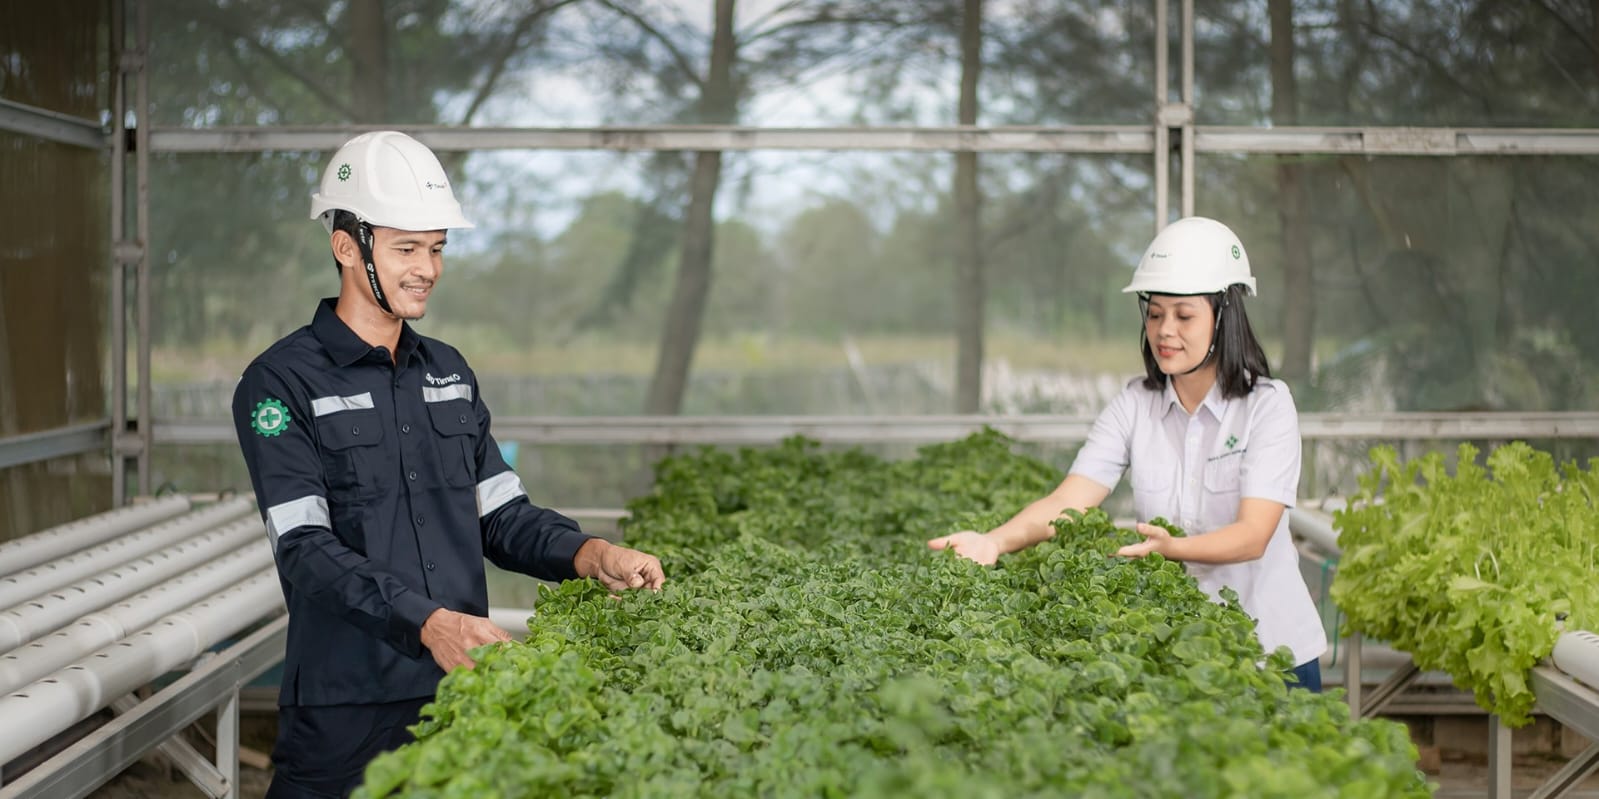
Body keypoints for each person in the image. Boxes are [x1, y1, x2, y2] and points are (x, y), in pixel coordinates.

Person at [232, 130, 666, 797]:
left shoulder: (450, 373)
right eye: (406, 247)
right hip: (345, 706)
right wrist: (428, 622)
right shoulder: (281, 384)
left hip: (455, 699)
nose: (427, 268)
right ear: (346, 246)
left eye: (436, 248)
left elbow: (502, 517)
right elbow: (305, 549)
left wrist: (591, 553)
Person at [927, 216, 1326, 691]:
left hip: (1272, 655)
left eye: (1184, 315)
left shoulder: (1267, 406)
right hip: (1181, 655)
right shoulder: (1135, 405)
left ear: (1224, 316)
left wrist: (1170, 549)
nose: (1164, 331)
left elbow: (1252, 535)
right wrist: (994, 541)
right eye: (1155, 313)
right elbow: (1067, 503)